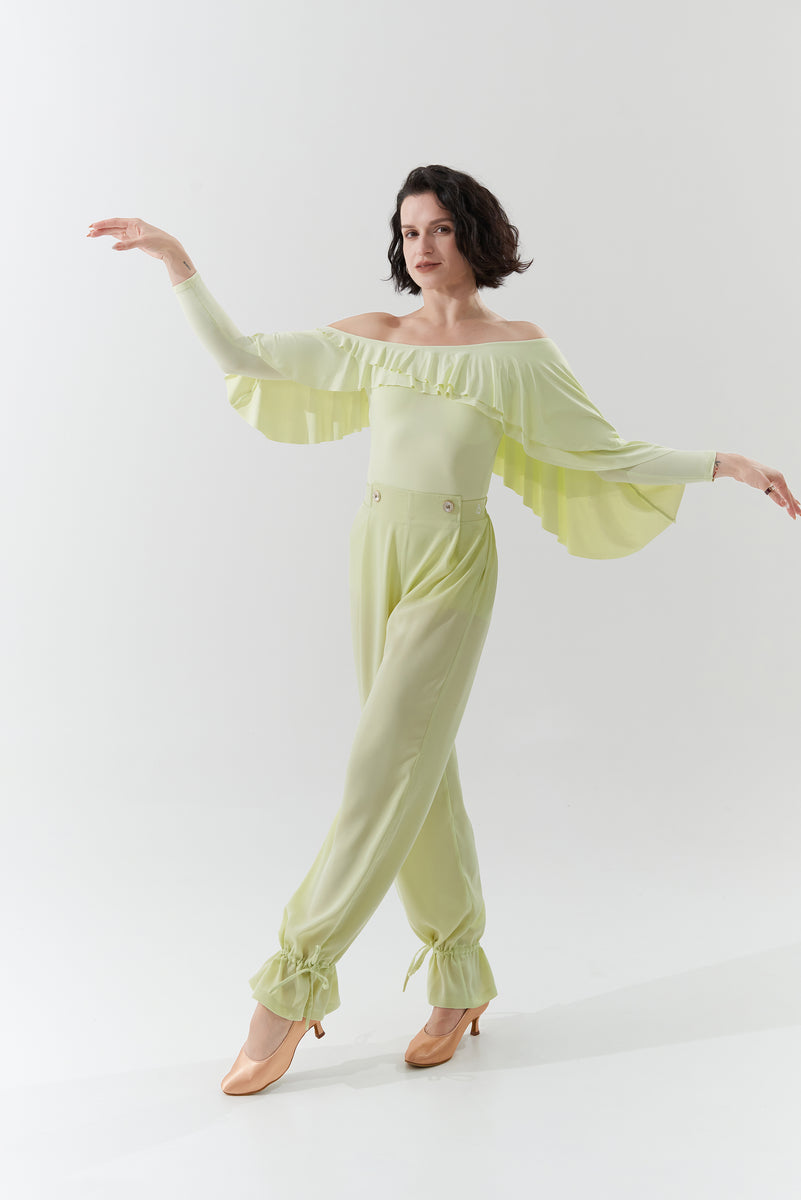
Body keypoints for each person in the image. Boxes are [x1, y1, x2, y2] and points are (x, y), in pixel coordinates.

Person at [87, 164, 800, 1095]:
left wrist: (721, 464)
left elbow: (603, 450)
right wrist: (176, 260)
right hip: (374, 548)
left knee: (381, 763)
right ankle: (459, 976)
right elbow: (245, 355)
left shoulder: (518, 351)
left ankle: (292, 983)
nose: (420, 247)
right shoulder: (376, 339)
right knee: (416, 771)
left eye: (438, 229)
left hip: (453, 561)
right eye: (407, 231)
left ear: (473, 234)